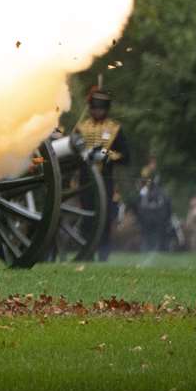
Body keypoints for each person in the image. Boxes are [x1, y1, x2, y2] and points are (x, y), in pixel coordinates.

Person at [70, 83, 130, 261]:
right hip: (85, 181)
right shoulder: (81, 128)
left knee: (104, 219)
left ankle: (103, 255)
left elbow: (126, 157)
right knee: (87, 218)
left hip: (106, 180)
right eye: (94, 108)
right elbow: (73, 153)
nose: (97, 111)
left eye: (100, 108)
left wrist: (106, 154)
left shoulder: (114, 129)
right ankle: (86, 254)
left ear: (106, 109)